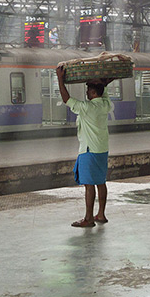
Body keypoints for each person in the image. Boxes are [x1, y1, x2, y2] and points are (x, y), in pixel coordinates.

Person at [56, 66, 114, 228]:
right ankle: (101, 214)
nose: (87, 93)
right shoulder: (105, 104)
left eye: (88, 91)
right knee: (101, 182)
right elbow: (105, 93)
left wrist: (60, 79)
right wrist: (105, 83)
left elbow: (67, 99)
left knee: (89, 185)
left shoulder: (88, 108)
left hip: (89, 150)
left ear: (94, 93)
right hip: (102, 149)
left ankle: (88, 219)